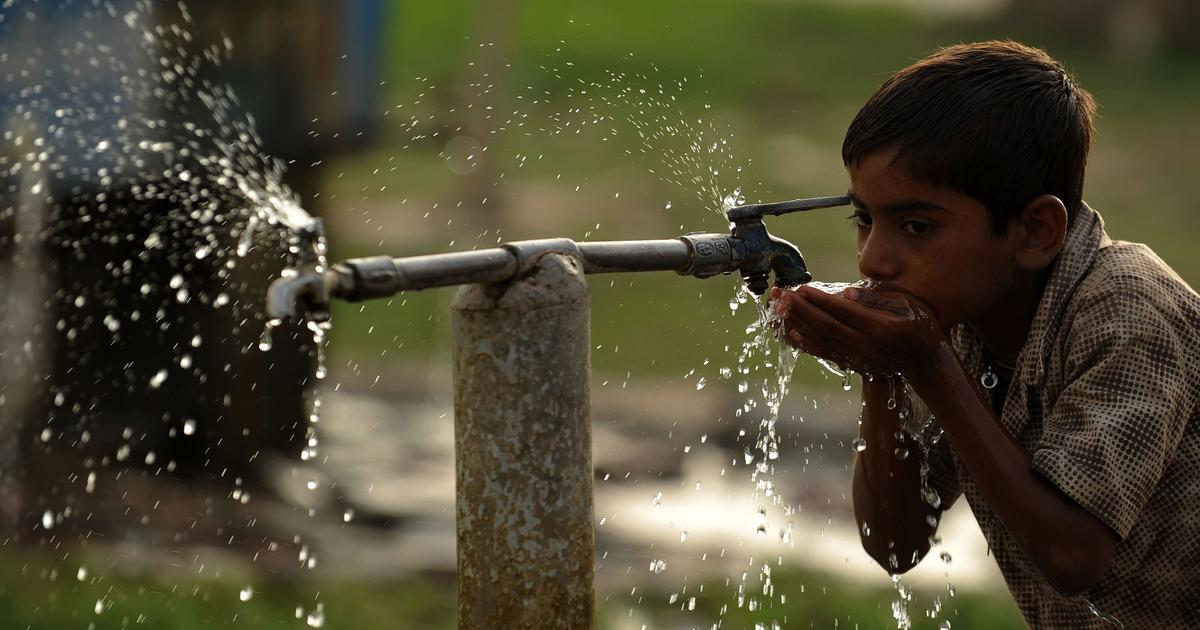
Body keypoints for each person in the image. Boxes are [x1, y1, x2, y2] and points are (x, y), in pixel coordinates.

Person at [771, 40, 1199, 627]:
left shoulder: (1126, 309)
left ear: (1034, 231)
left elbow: (1073, 555)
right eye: (864, 220)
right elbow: (896, 544)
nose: (873, 260)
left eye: (916, 226)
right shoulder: (958, 318)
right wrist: (882, 369)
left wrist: (928, 366)